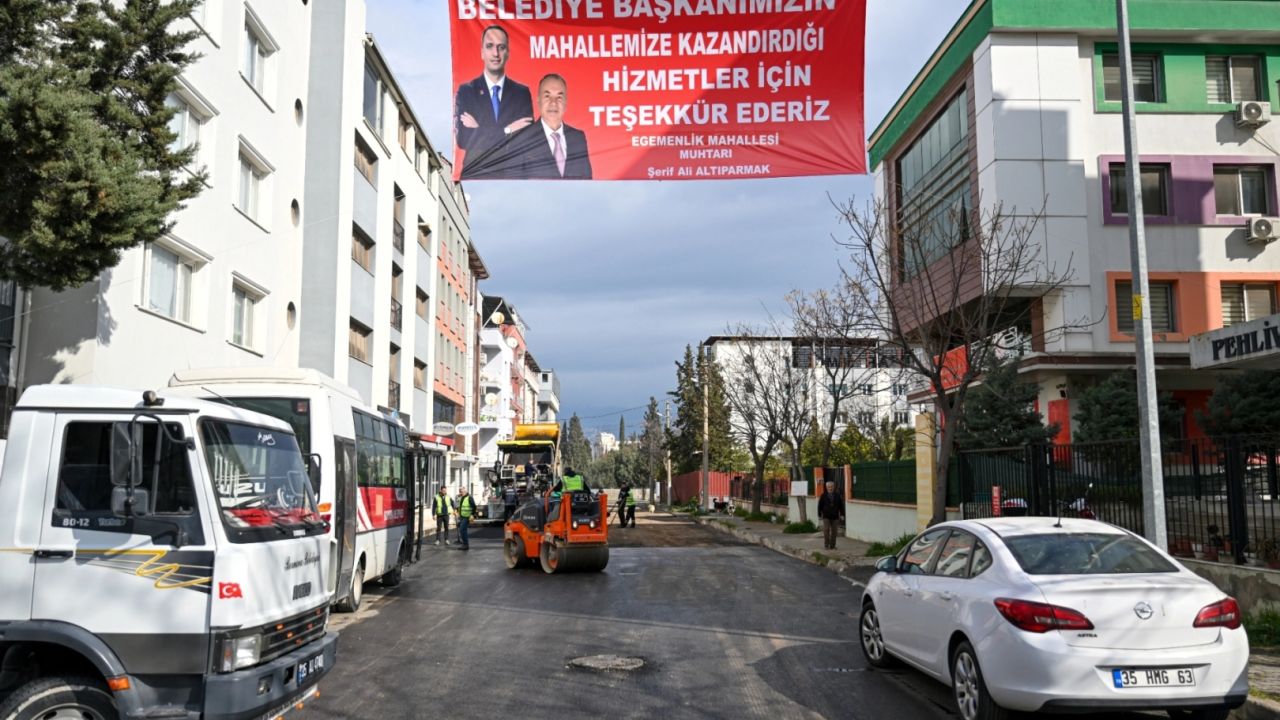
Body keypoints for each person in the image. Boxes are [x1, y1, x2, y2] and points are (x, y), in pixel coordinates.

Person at [454, 25, 533, 179]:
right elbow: (464, 139)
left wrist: (479, 128)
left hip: (514, 175)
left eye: (501, 47)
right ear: (482, 52)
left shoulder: (521, 93)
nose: (495, 53)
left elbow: (526, 138)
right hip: (478, 173)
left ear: (508, 53)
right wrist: (507, 130)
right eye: (490, 46)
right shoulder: (466, 91)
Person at [504, 74, 593, 179]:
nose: (553, 103)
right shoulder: (521, 139)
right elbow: (512, 186)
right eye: (547, 96)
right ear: (538, 100)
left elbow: (587, 181)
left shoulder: (578, 138)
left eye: (559, 97)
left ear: (566, 102)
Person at [817, 481, 845, 550]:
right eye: (829, 487)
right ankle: (826, 545)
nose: (830, 488)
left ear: (834, 487)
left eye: (831, 487)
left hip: (835, 515)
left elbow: (841, 505)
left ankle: (832, 545)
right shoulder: (823, 495)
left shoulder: (837, 495)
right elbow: (820, 505)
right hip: (826, 515)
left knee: (834, 531)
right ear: (826, 487)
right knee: (826, 530)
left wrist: (842, 514)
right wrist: (819, 514)